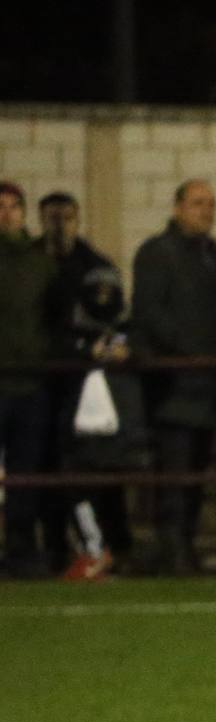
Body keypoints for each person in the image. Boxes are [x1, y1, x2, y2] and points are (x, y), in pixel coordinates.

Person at [129, 178, 216, 575]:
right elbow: (150, 313)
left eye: (210, 204)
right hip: (175, 385)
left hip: (207, 386)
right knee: (174, 474)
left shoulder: (213, 256)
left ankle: (185, 546)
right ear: (177, 208)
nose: (205, 211)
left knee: (195, 478)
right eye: (197, 203)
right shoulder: (158, 253)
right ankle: (172, 550)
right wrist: (188, 353)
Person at [39, 190, 131, 580]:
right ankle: (62, 549)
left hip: (89, 388)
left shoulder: (95, 266)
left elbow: (116, 319)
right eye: (53, 216)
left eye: (68, 216)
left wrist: (111, 347)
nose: (60, 225)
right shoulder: (31, 262)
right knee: (52, 470)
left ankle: (106, 547)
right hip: (43, 382)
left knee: (94, 468)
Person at [0, 180, 59, 577]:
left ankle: (22, 552)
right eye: (0, 206)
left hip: (31, 385)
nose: (7, 213)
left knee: (26, 475)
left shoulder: (42, 261)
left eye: (13, 206)